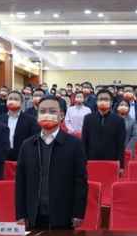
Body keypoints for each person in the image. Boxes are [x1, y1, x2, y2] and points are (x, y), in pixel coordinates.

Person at [15, 95, 88, 229]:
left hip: (63, 214)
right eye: (42, 111)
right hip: (34, 213)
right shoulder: (27, 145)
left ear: (61, 116)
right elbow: (20, 182)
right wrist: (21, 213)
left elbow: (80, 181)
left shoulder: (74, 144)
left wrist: (78, 212)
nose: (47, 115)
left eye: (52, 111)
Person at [82, 89, 126, 174]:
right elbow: (84, 141)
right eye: (100, 99)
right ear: (96, 101)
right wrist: (83, 161)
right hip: (92, 160)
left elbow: (120, 144)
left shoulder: (119, 120)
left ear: (111, 102)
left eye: (106, 99)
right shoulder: (88, 118)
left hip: (111, 160)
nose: (103, 101)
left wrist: (121, 166)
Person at [0, 90, 39, 162]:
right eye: (10, 99)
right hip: (2, 156)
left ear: (21, 103)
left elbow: (34, 139)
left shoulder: (30, 120)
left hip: (22, 156)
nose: (12, 101)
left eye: (16, 99)